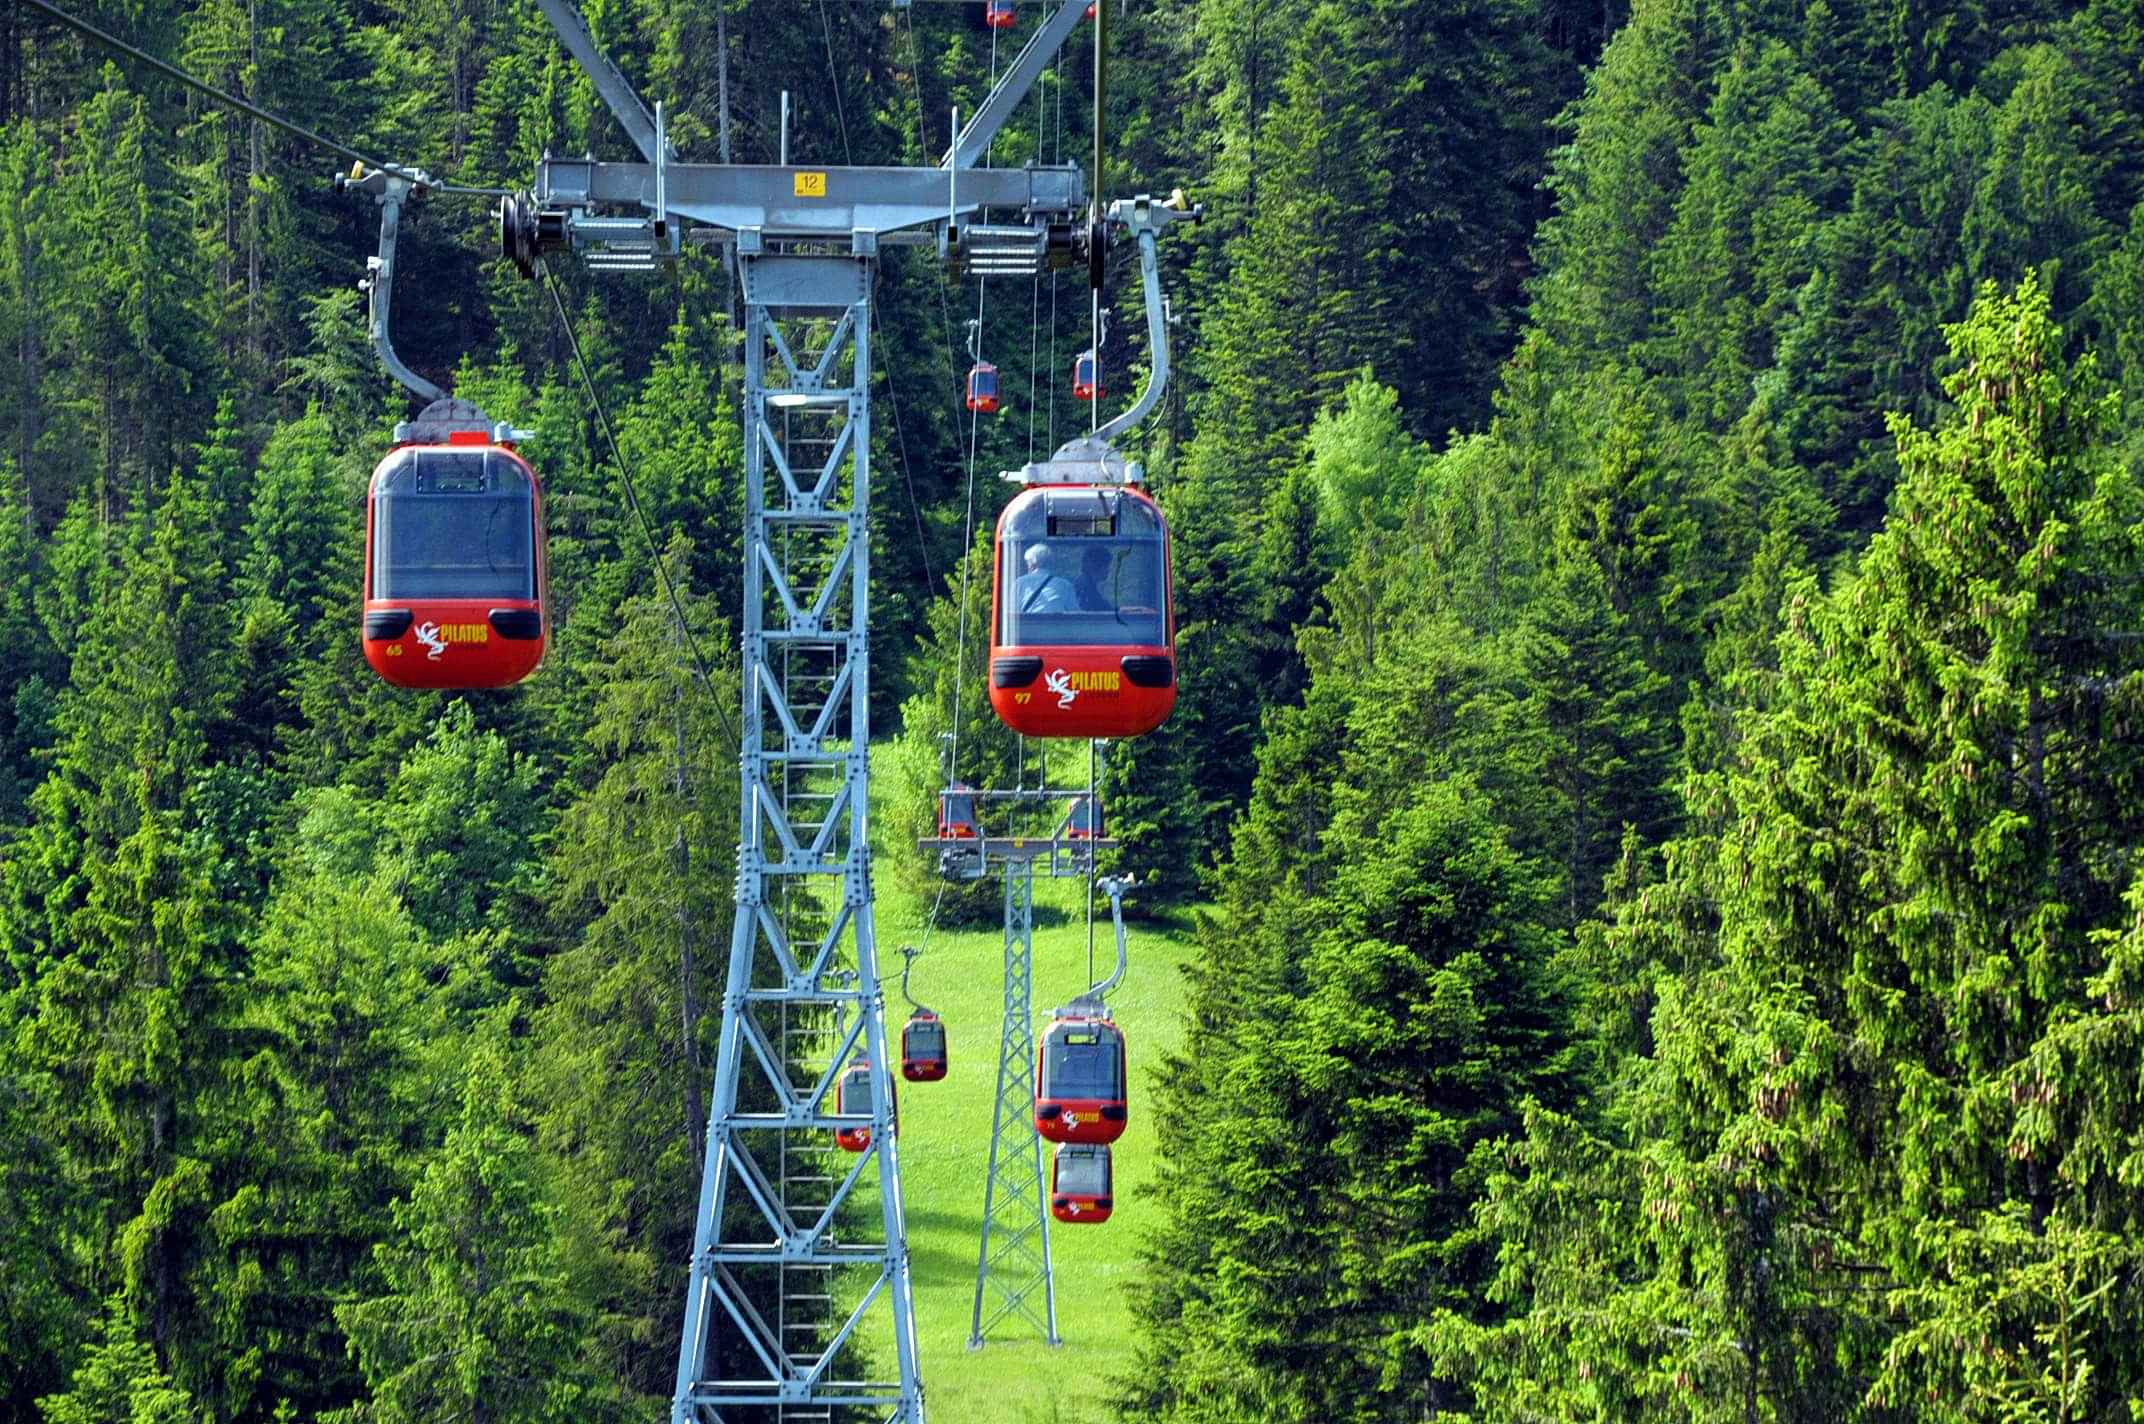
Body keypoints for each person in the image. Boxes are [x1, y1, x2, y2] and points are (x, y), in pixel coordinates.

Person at [1014, 542, 1074, 613]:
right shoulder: (1064, 585)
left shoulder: (1020, 583)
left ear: (1031, 563)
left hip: (1027, 624)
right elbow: (1074, 612)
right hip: (1056, 623)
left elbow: (1011, 611)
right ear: (1050, 562)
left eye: (1027, 562)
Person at [1071, 545, 1114, 612]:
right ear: (1096, 565)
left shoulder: (1087, 585)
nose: (1109, 570)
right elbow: (1105, 610)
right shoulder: (1084, 589)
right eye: (1107, 565)